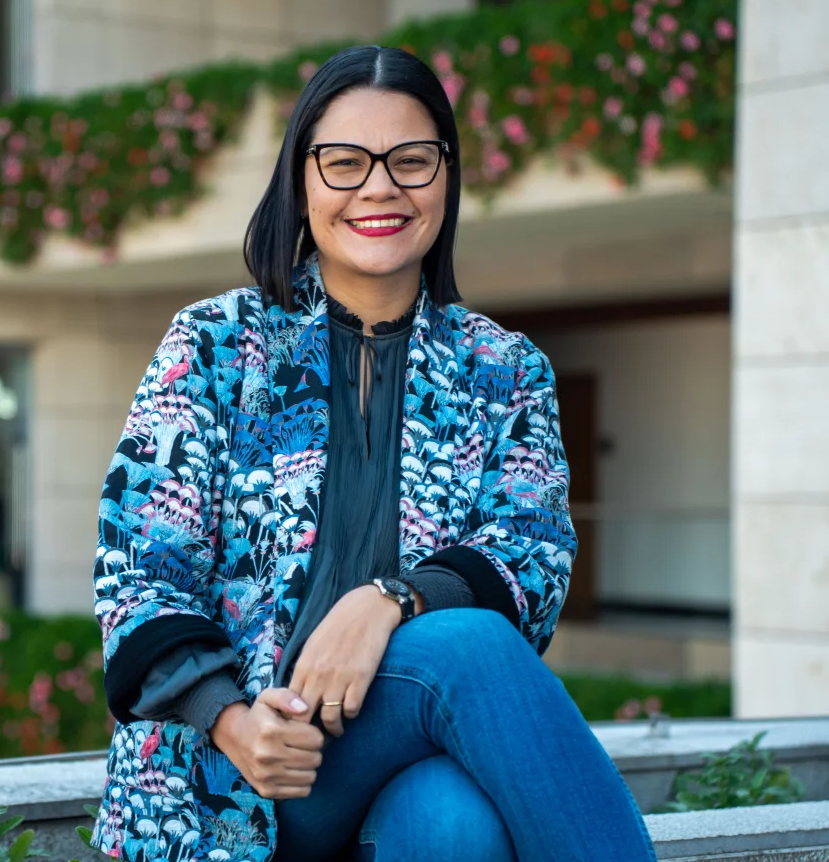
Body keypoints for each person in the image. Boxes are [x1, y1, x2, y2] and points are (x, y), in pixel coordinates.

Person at [91, 45, 658, 862]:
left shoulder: (504, 370)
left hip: (388, 744)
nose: (380, 187)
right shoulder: (216, 344)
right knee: (470, 650)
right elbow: (137, 573)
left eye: (412, 161)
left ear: (447, 178)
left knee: (451, 819)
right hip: (228, 775)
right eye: (345, 162)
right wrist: (231, 718)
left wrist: (389, 600)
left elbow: (532, 565)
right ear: (302, 179)